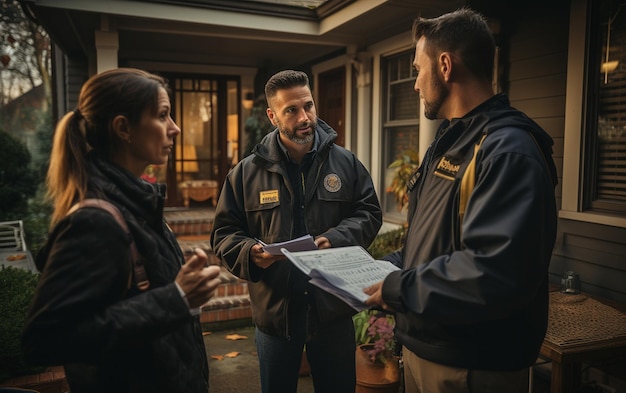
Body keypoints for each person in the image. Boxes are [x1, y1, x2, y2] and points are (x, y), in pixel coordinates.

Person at [364, 8, 558, 393]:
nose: (415, 84)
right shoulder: (449, 143)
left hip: (471, 365)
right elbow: (436, 243)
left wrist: (399, 288)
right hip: (428, 349)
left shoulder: (506, 151)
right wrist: (383, 269)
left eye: (418, 70)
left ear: (446, 66)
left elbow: (496, 272)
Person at [21, 68, 222, 393]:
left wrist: (183, 293)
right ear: (123, 128)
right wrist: (176, 297)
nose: (175, 128)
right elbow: (45, 339)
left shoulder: (141, 204)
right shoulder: (96, 221)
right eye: (162, 115)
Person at [210, 69, 382, 393]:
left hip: (333, 310)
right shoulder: (245, 174)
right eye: (292, 110)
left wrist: (336, 238)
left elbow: (370, 212)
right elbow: (223, 234)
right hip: (277, 316)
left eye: (309, 106)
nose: (304, 117)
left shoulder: (346, 164)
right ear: (273, 116)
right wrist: (251, 253)